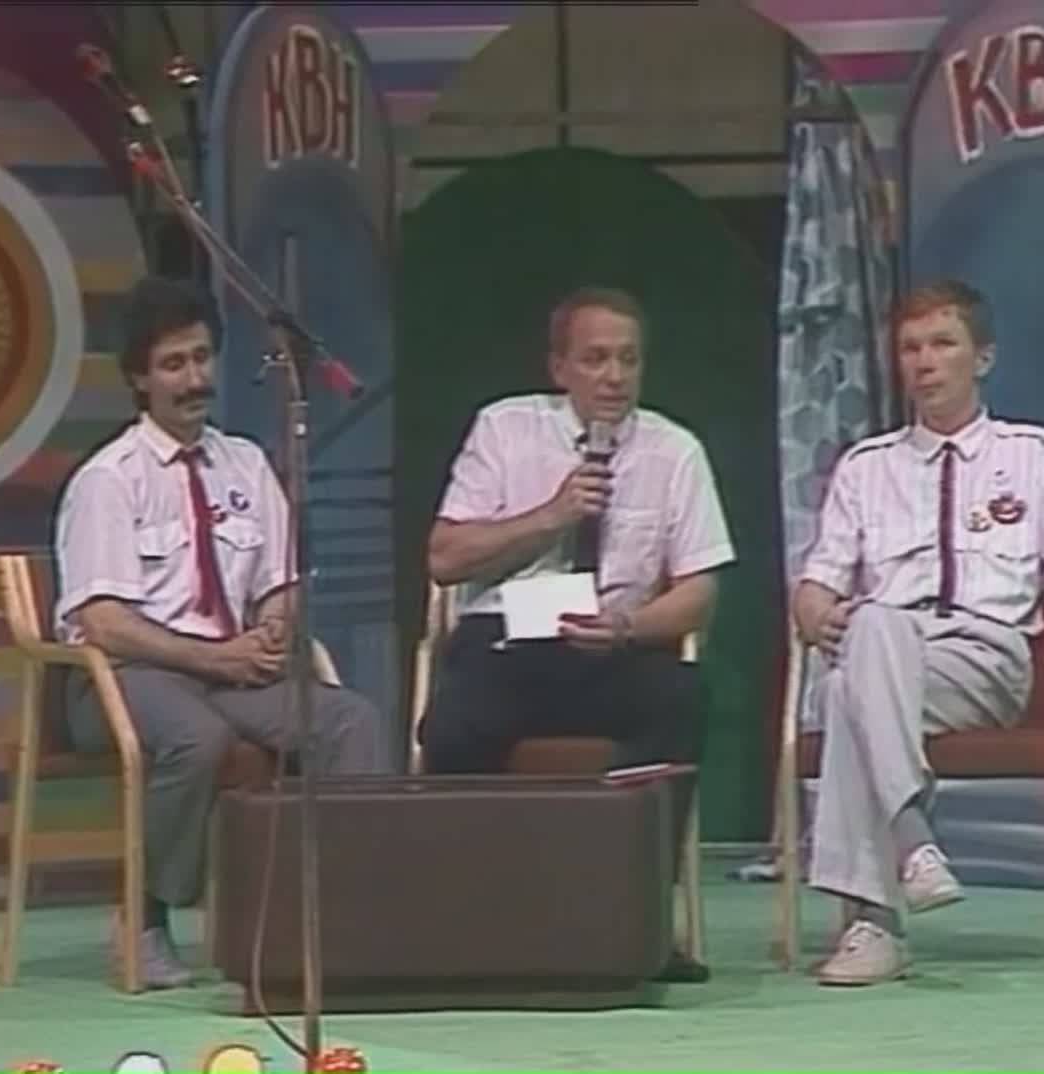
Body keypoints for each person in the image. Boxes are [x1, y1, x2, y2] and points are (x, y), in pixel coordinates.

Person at [54, 276, 390, 989]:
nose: (194, 379)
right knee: (197, 737)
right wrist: (215, 656)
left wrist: (273, 623)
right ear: (140, 379)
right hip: (126, 677)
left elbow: (282, 580)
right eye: (173, 364)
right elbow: (104, 623)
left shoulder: (245, 463)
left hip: (232, 670)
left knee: (352, 721)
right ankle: (143, 918)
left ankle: (346, 916)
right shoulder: (109, 479)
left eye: (202, 358)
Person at [793, 278, 1044, 985]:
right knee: (860, 658)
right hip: (885, 655)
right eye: (910, 348)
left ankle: (877, 913)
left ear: (982, 358)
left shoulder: (1034, 454)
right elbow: (817, 584)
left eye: (942, 344)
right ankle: (909, 860)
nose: (924, 362)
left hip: (984, 661)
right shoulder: (865, 468)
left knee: (856, 675)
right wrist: (812, 611)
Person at [421, 286, 736, 981]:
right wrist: (552, 516)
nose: (614, 377)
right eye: (595, 359)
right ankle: (467, 920)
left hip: (613, 648)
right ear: (559, 368)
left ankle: (637, 922)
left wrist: (628, 625)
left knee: (682, 696)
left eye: (629, 359)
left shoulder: (675, 451)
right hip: (508, 644)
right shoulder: (504, 430)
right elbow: (444, 559)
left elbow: (700, 593)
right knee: (453, 723)